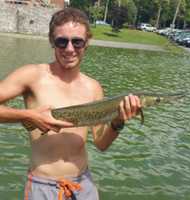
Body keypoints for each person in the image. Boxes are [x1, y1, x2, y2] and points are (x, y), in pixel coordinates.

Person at [0, 7, 141, 200]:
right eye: (61, 41)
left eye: (77, 42)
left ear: (87, 43)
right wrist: (29, 115)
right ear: (51, 41)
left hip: (83, 186)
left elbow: (101, 143)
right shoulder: (32, 75)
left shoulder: (93, 87)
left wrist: (118, 122)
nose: (69, 49)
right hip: (42, 187)